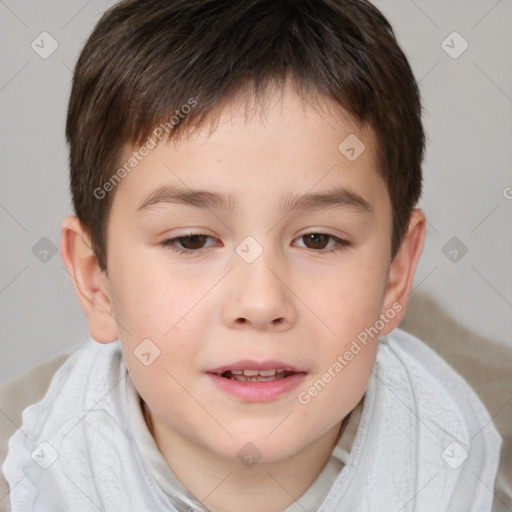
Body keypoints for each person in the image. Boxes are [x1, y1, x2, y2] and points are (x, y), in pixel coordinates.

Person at [1, 0, 503, 510]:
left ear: (397, 274)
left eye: (318, 239)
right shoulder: (26, 474)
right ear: (96, 280)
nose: (261, 303)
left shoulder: (483, 469)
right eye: (192, 240)